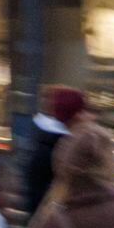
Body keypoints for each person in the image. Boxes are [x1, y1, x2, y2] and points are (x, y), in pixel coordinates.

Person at [23, 86, 89, 217]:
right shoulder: (64, 148)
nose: (88, 116)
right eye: (85, 111)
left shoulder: (43, 139)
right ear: (77, 114)